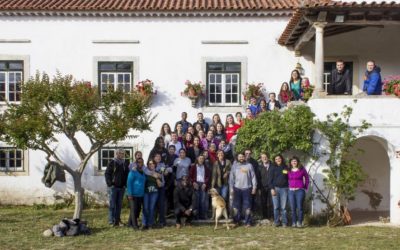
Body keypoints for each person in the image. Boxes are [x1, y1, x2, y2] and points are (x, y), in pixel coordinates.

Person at [229, 153, 257, 227]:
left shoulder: (249, 165)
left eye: (242, 157)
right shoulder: (234, 166)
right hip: (237, 188)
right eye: (240, 157)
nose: (241, 158)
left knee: (247, 206)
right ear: (237, 158)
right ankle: (236, 221)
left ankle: (248, 222)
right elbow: (231, 178)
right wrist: (231, 188)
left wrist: (254, 187)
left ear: (245, 157)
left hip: (247, 188)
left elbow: (253, 177)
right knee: (236, 207)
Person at [105, 148, 130, 226]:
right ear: (116, 154)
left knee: (119, 205)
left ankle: (117, 220)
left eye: (123, 153)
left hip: (121, 188)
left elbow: (127, 175)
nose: (122, 155)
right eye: (120, 153)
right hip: (113, 187)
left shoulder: (125, 163)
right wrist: (110, 184)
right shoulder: (112, 162)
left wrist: (125, 185)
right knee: (112, 205)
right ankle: (111, 221)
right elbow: (107, 174)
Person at [288, 156, 309, 228]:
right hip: (291, 191)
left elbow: (307, 178)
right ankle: (294, 222)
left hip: (300, 190)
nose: (294, 162)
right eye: (292, 161)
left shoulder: (302, 169)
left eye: (295, 161)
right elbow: (285, 178)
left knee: (300, 207)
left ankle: (299, 222)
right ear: (290, 162)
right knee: (293, 208)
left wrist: (305, 187)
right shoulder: (288, 170)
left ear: (297, 162)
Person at [268, 154, 289, 227]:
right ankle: (276, 222)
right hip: (275, 189)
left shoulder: (285, 167)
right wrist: (272, 189)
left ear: (282, 159)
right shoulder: (272, 168)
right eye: (276, 159)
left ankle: (284, 222)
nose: (278, 160)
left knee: (283, 207)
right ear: (274, 160)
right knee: (276, 207)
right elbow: (270, 180)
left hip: (284, 189)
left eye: (279, 158)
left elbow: (288, 177)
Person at [153, 153, 173, 227]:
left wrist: (166, 170)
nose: (158, 157)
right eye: (157, 156)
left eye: (159, 156)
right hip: (154, 186)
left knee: (161, 204)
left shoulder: (162, 164)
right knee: (154, 204)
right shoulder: (151, 164)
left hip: (161, 186)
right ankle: (153, 220)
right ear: (154, 157)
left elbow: (169, 170)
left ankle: (161, 221)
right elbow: (151, 172)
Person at [126, 158, 146, 230]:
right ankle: (135, 226)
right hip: (133, 195)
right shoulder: (132, 172)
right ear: (136, 163)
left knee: (137, 210)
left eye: (141, 162)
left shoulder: (143, 172)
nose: (140, 164)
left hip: (141, 194)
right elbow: (129, 183)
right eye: (139, 162)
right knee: (134, 210)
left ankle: (129, 224)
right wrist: (130, 194)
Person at [189, 155, 211, 220]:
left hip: (203, 184)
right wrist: (193, 182)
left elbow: (208, 177)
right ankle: (196, 216)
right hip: (196, 184)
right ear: (197, 159)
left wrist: (205, 183)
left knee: (203, 200)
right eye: (200, 158)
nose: (201, 160)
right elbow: (190, 176)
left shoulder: (206, 167)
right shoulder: (193, 167)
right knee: (196, 200)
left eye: (202, 159)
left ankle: (203, 216)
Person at [142, 160, 160, 230]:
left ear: (155, 165)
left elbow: (161, 184)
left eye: (153, 163)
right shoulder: (145, 172)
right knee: (145, 208)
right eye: (150, 164)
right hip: (146, 192)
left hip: (154, 192)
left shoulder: (158, 173)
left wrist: (157, 178)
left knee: (151, 208)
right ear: (148, 165)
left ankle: (150, 224)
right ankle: (144, 223)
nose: (151, 165)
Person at [257, 153, 273, 220]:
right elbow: (258, 178)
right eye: (263, 157)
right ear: (261, 159)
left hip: (271, 187)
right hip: (263, 187)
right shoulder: (259, 167)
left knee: (271, 202)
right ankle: (265, 216)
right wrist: (259, 188)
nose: (264, 158)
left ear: (268, 157)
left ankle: (271, 216)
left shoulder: (273, 166)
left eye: (265, 157)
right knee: (263, 202)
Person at [245, 149, 259, 213]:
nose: (248, 155)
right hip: (243, 184)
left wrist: (255, 186)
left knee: (252, 199)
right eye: (246, 153)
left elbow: (256, 174)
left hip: (251, 184)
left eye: (249, 153)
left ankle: (251, 213)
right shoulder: (241, 161)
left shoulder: (254, 162)